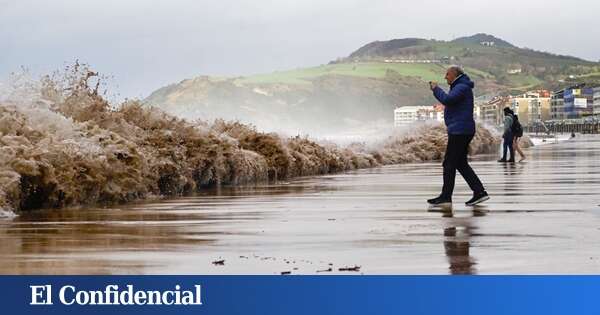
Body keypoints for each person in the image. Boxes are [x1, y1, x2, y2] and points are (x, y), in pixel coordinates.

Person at [427, 65, 489, 206]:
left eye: (447, 74)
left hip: (460, 131)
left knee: (449, 163)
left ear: (454, 75)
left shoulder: (461, 87)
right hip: (462, 129)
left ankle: (446, 197)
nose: (445, 77)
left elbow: (448, 100)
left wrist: (436, 89)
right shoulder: (461, 86)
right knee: (460, 163)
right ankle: (479, 192)